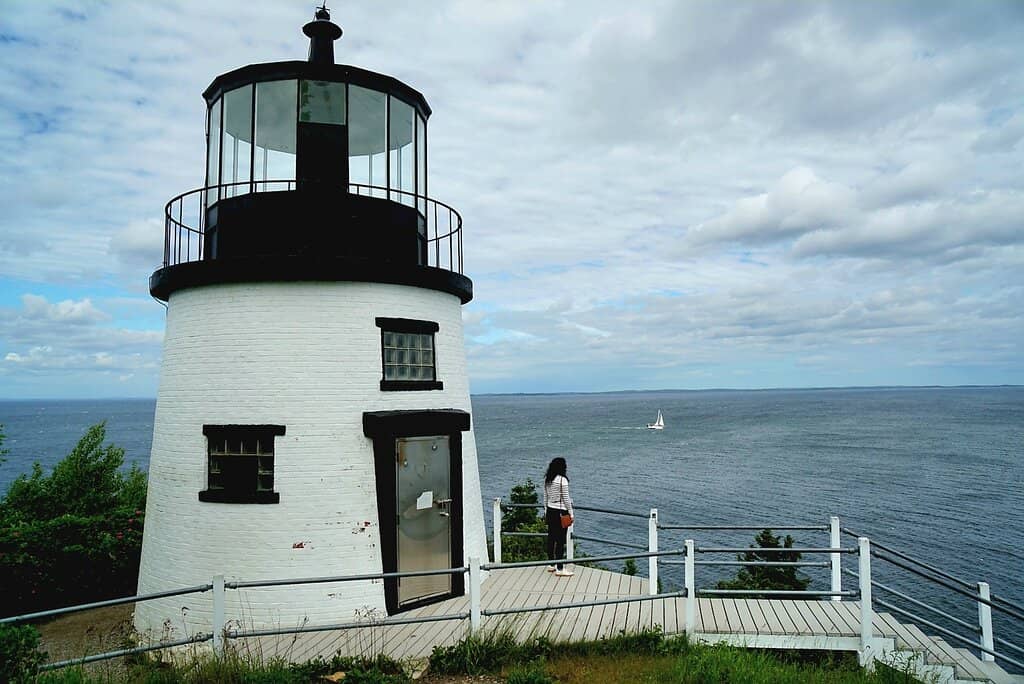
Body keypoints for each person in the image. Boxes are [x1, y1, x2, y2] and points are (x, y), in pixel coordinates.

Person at [543, 457, 574, 577]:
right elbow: (566, 499)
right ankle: (560, 568)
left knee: (551, 537)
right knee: (561, 540)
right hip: (561, 512)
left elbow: (545, 497)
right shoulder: (562, 480)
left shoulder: (548, 479)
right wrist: (571, 513)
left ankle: (551, 564)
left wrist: (546, 510)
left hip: (550, 510)